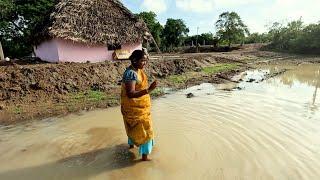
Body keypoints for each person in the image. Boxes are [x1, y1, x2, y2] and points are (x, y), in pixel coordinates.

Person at [121, 49, 157, 161]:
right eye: (142, 61)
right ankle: (145, 157)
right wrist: (149, 90)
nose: (144, 63)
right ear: (135, 60)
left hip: (137, 108)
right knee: (146, 130)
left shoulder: (136, 70)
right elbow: (130, 93)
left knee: (133, 127)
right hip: (134, 109)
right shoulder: (131, 73)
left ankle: (131, 146)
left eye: (146, 61)